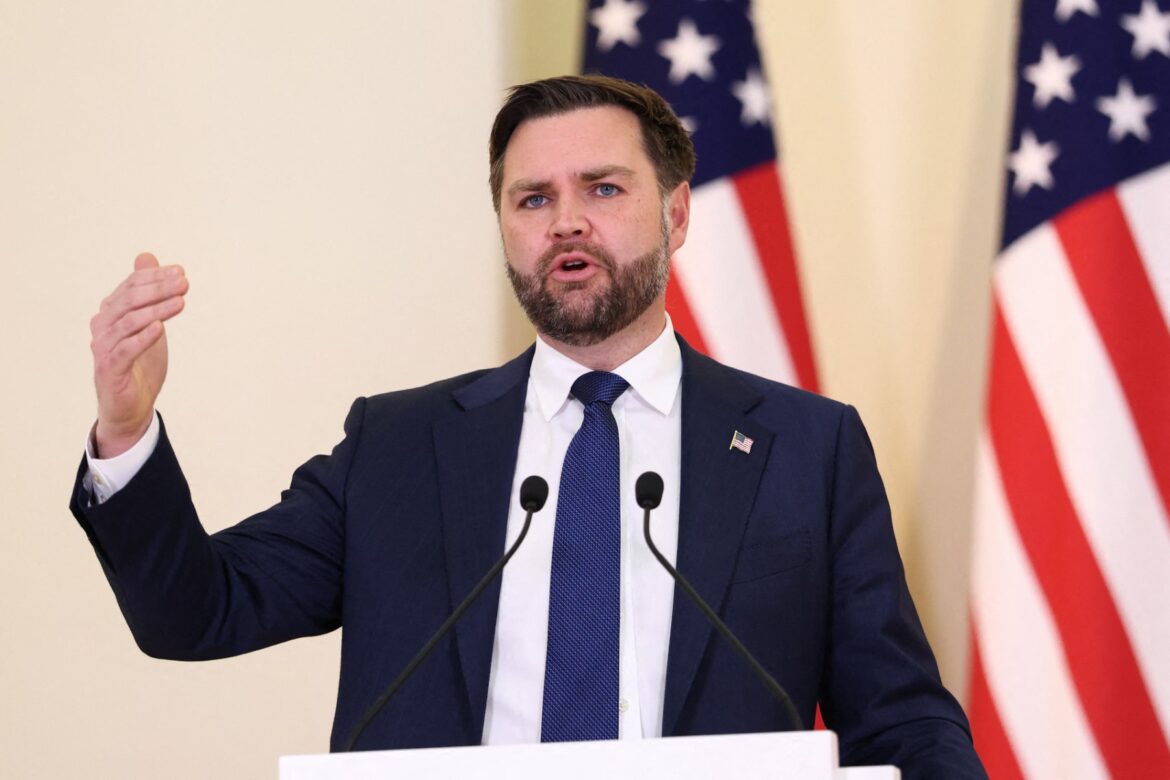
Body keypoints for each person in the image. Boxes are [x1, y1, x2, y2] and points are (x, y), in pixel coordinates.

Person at [72, 75, 986, 777]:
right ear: (505, 226)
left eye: (603, 189)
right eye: (534, 198)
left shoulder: (806, 450)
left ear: (675, 214)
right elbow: (198, 611)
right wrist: (127, 428)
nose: (566, 222)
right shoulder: (399, 449)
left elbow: (899, 715)